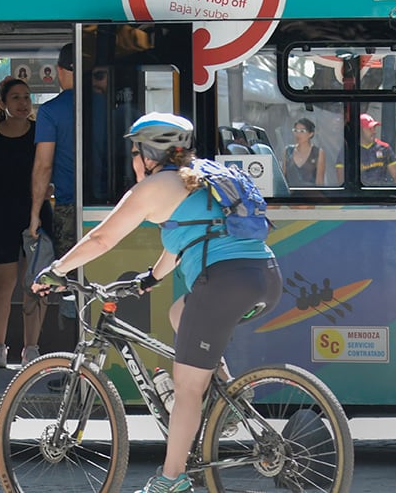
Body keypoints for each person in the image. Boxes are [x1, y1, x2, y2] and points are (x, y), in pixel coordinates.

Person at [33, 113, 280, 493]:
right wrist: (150, 279)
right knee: (179, 313)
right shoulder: (202, 176)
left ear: (150, 154)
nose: (133, 161)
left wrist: (57, 269)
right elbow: (183, 242)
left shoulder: (154, 187)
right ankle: (228, 391)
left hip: (224, 284)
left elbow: (101, 239)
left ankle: (171, 479)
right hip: (264, 276)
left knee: (187, 390)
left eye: (135, 152)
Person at [0, 77, 48, 368]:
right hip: (1, 214)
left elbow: (49, 172)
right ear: (2, 103)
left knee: (36, 283)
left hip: (37, 212)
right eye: (16, 98)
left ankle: (31, 348)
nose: (23, 103)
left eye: (26, 97)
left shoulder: (41, 134)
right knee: (3, 283)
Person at [28, 43, 79, 266]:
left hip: (68, 208)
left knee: (69, 279)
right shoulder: (111, 104)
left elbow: (43, 166)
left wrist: (35, 212)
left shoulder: (50, 111)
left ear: (59, 70)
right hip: (110, 207)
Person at [358, 113, 396, 186]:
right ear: (359, 130)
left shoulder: (384, 148)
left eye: (374, 128)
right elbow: (342, 179)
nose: (374, 132)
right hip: (359, 195)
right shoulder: (350, 150)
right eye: (369, 129)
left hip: (379, 193)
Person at [283, 117, 325, 187]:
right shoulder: (288, 151)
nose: (298, 134)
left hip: (310, 195)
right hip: (290, 195)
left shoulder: (318, 152)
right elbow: (283, 177)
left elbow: (319, 181)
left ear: (311, 134)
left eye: (302, 131)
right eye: (296, 131)